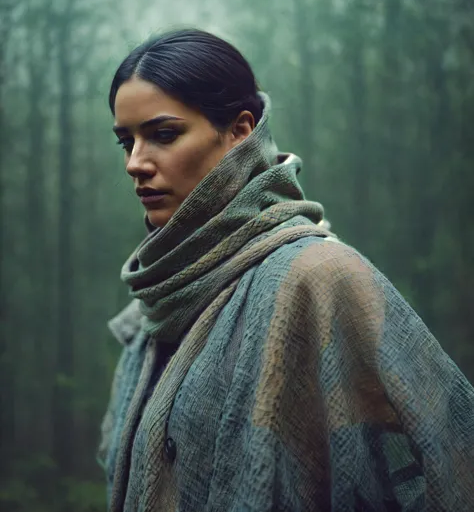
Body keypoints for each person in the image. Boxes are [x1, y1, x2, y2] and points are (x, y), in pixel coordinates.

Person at [98, 28, 474, 512]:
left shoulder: (319, 276)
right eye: (125, 141)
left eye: (163, 134)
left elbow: (449, 452)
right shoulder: (157, 300)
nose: (135, 163)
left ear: (240, 131)